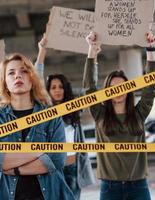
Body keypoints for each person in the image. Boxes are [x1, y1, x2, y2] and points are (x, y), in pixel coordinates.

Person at [0, 53, 75, 200]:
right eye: (11, 73)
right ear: (4, 82)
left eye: (24, 71)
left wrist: (15, 169)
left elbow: (57, 159)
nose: (17, 76)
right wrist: (41, 152)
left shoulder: (52, 116)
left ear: (32, 79)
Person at [83, 31, 155, 200]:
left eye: (122, 87)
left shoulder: (139, 114)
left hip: (138, 186)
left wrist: (150, 50)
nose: (118, 91)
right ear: (107, 92)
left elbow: (150, 89)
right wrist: (91, 51)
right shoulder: (100, 114)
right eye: (113, 88)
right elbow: (89, 88)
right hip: (110, 188)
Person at [35, 35, 95, 199]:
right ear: (48, 90)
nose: (57, 90)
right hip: (52, 168)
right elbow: (37, 80)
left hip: (72, 168)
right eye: (53, 87)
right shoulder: (45, 111)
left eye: (60, 86)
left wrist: (91, 51)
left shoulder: (74, 110)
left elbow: (88, 87)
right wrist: (42, 50)